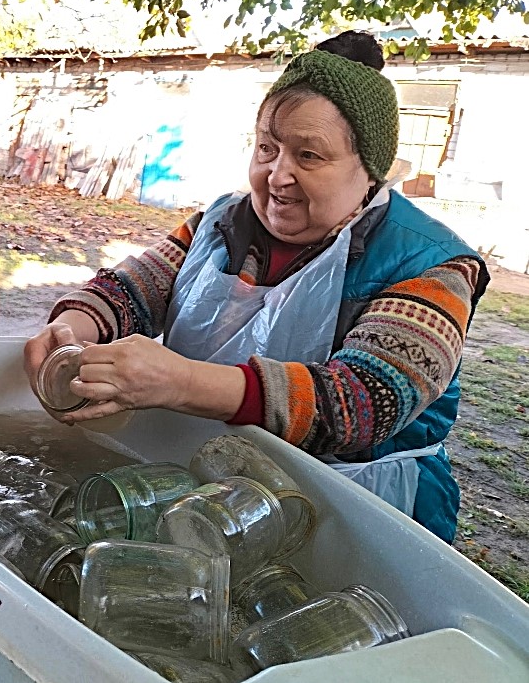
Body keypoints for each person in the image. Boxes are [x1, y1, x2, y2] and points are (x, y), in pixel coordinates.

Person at [24, 31, 489, 544]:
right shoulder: (222, 225)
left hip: (362, 510)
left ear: (369, 170)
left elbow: (363, 401)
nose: (277, 175)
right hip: (217, 487)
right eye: (267, 147)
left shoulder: (430, 264)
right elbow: (131, 290)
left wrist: (178, 382)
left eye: (309, 156)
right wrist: (71, 327)